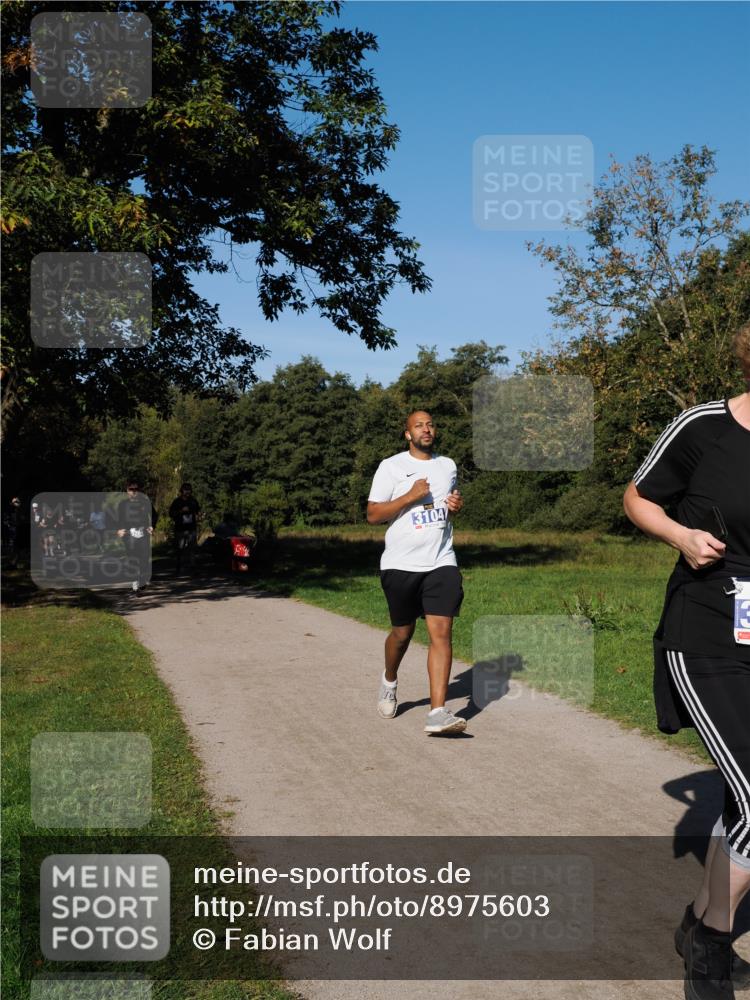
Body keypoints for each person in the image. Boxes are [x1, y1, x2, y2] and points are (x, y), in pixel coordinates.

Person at [623, 322, 750, 1000]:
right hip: (703, 634)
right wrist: (679, 534)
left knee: (741, 797)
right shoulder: (704, 427)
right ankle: (708, 945)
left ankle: (701, 925)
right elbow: (637, 497)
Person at [367, 410, 466, 735]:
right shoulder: (391, 466)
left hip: (440, 560)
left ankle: (437, 713)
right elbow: (373, 514)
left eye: (430, 424)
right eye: (418, 425)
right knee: (402, 634)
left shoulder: (447, 465)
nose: (426, 429)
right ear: (407, 434)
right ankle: (389, 681)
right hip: (400, 564)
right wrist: (409, 496)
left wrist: (453, 506)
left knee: (441, 632)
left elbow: (442, 508)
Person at [116, 479, 156, 592]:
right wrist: (119, 530)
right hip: (129, 534)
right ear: (127, 491)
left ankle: (142, 579)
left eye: (136, 489)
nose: (133, 491)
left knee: (144, 558)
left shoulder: (144, 502)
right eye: (131, 489)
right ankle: (134, 581)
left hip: (143, 533)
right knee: (132, 558)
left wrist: (152, 526)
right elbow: (117, 520)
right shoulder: (122, 504)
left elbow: (154, 515)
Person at [168, 483, 201, 573]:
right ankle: (179, 566)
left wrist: (200, 516)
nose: (187, 492)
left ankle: (193, 566)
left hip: (191, 528)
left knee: (192, 548)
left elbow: (198, 511)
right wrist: (181, 511)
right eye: (185, 490)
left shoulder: (193, 501)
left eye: (189, 490)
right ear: (181, 491)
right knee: (180, 548)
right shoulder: (177, 501)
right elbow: (171, 513)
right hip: (180, 528)